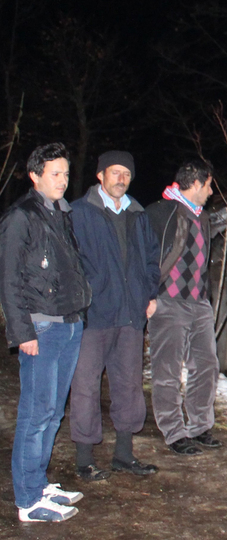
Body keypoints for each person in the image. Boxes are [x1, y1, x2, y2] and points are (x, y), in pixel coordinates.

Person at [0, 143, 91, 522]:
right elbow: (9, 280)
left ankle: (38, 480)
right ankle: (27, 499)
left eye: (67, 173)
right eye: (55, 173)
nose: (63, 180)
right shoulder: (20, 216)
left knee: (53, 412)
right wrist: (23, 332)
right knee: (35, 413)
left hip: (68, 322)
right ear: (35, 175)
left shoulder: (61, 213)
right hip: (41, 326)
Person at [69, 151, 161, 481]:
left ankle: (124, 454)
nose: (120, 178)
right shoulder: (79, 213)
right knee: (85, 386)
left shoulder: (138, 214)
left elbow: (153, 260)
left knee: (129, 386)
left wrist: (148, 294)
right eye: (114, 172)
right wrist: (84, 298)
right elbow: (71, 263)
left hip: (130, 316)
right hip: (93, 315)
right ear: (100, 175)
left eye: (126, 173)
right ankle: (84, 458)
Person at [145, 160, 222, 456]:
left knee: (207, 365)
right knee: (167, 369)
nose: (212, 191)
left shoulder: (203, 217)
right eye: (209, 184)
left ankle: (200, 426)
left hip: (199, 303)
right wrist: (148, 296)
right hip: (168, 301)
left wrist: (207, 298)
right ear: (197, 183)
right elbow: (146, 258)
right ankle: (174, 431)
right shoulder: (160, 212)